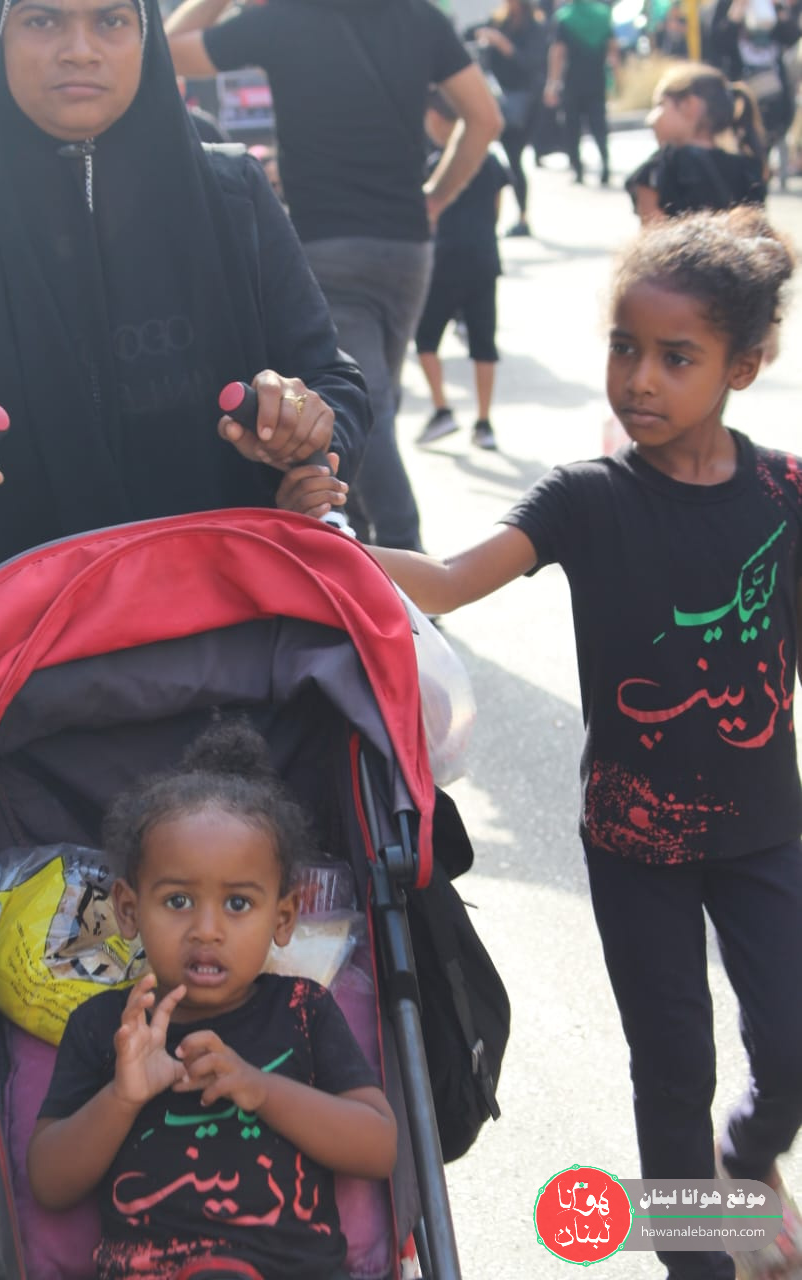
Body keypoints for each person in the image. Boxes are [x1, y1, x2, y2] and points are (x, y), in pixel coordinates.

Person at [369, 207, 802, 1280]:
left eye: (674, 357)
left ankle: (748, 1152)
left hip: (766, 836)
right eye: (622, 347)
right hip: (632, 843)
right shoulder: (585, 498)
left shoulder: (784, 494)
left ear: (743, 366)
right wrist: (321, 547)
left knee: (790, 1045)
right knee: (671, 1066)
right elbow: (448, 582)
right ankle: (696, 1259)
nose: (638, 379)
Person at [0, 0, 370, 591]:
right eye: (42, 21)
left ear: (147, 38)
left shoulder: (231, 195)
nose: (80, 50)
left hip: (234, 608)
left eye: (111, 21)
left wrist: (307, 429)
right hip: (13, 620)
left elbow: (332, 379)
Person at [26, 718, 397, 1280]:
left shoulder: (303, 1010)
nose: (206, 930)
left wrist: (262, 1089)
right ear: (128, 909)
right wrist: (121, 1098)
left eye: (238, 905)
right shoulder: (110, 1026)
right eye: (177, 901)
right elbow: (49, 1183)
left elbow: (378, 1146)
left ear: (284, 917)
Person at [165, 0, 503, 551]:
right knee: (371, 400)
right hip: (409, 246)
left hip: (328, 245)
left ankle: (404, 552)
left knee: (365, 404)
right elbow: (485, 118)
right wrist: (437, 197)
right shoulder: (420, 18)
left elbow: (159, 50)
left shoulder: (283, 21)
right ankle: (362, 542)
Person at [414, 91, 509, 451]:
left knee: (425, 339)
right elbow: (497, 211)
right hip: (484, 260)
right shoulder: (491, 161)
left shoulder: (434, 165)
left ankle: (442, 409)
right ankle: (484, 422)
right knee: (484, 343)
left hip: (444, 262)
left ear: (437, 118)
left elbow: (426, 217)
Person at [625, 63, 767, 223]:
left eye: (660, 104)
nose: (650, 119)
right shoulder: (747, 170)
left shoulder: (659, 169)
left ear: (690, 105)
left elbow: (652, 232)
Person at [465, 0, 548, 237]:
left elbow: (531, 63)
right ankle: (493, 217)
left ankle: (522, 216)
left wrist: (504, 45)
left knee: (514, 159)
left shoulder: (534, 26)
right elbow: (468, 34)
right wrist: (483, 36)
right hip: (496, 99)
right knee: (491, 159)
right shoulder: (498, 20)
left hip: (523, 103)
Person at [707, 0, 800, 151]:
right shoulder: (726, 4)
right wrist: (735, 15)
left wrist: (778, 10)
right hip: (743, 88)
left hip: (774, 89)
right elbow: (717, 43)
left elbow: (792, 36)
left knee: (771, 140)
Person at [543, 0, 618, 186]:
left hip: (572, 81)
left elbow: (558, 52)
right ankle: (605, 165)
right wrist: (615, 76)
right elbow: (613, 47)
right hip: (597, 79)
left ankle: (577, 169)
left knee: (572, 127)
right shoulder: (602, 14)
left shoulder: (565, 17)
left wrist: (552, 83)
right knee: (599, 125)